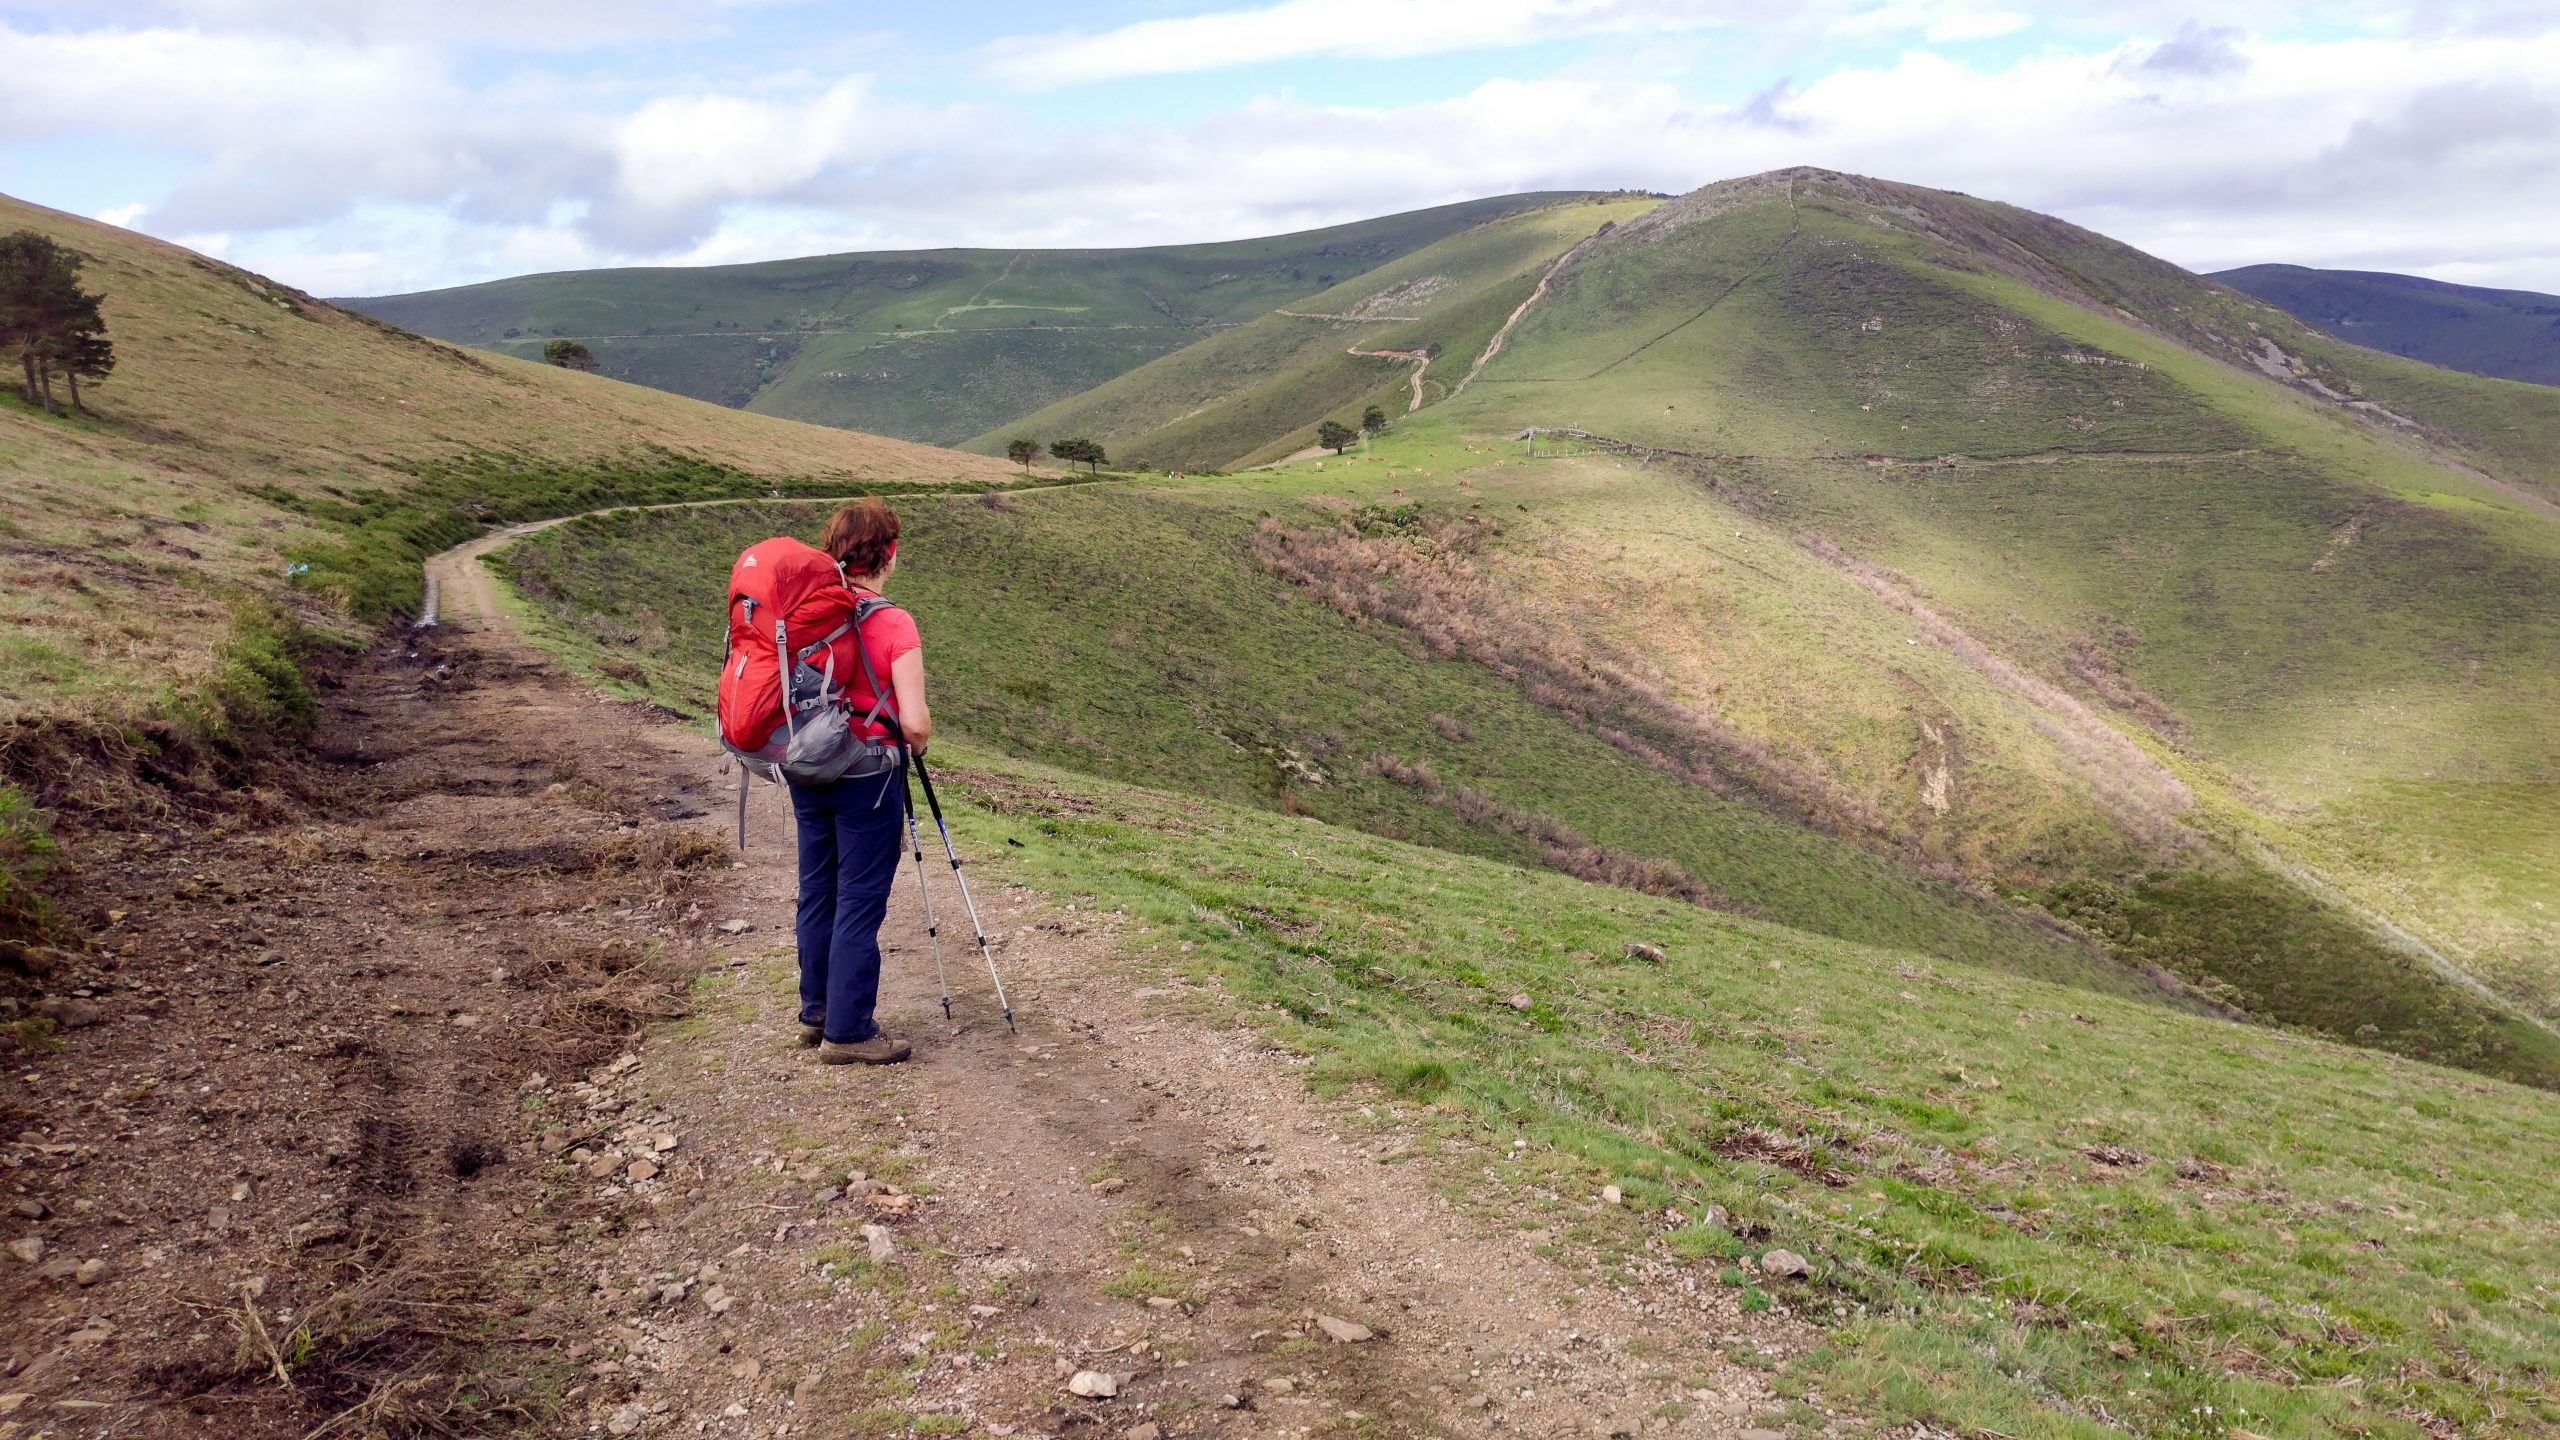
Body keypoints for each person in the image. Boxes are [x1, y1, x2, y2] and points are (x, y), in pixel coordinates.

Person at [790, 499, 931, 1065]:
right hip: (869, 777)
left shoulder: (807, 613)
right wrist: (914, 742)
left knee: (817, 889)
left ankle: (817, 1011)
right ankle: (849, 1032)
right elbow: (916, 724)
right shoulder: (893, 621)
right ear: (888, 554)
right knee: (859, 899)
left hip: (808, 766)